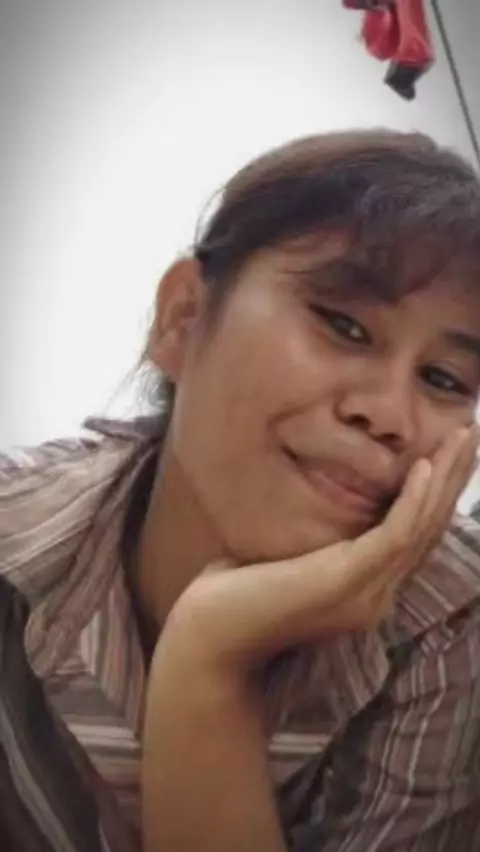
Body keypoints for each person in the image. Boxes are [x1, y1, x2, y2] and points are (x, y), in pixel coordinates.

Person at [2, 129, 480, 852]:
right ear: (184, 319)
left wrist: (208, 664)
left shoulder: (450, 627)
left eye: (443, 379)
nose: (389, 414)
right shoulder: (15, 530)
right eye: (345, 326)